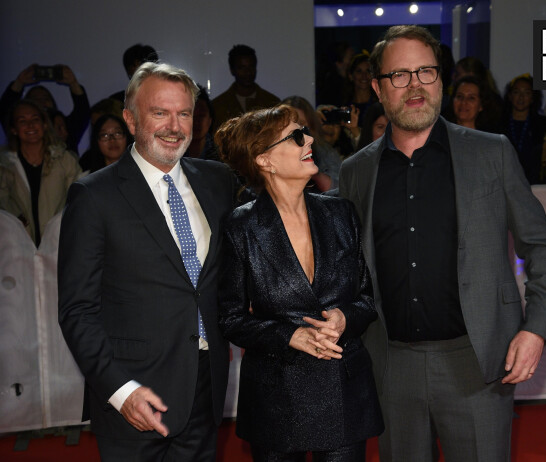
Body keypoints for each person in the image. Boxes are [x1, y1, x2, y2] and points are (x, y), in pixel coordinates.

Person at [339, 25, 546, 462]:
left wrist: (535, 329)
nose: (416, 85)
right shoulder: (356, 172)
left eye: (426, 71)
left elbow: (542, 248)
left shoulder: (491, 153)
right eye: (400, 75)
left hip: (476, 362)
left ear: (441, 79)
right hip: (391, 365)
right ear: (378, 89)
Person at [58, 62, 240, 462]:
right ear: (130, 118)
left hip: (206, 388)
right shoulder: (93, 196)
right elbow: (77, 311)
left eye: (184, 113)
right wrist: (121, 391)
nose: (174, 126)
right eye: (160, 112)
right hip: (134, 394)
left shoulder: (218, 181)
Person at [215, 104, 383, 461]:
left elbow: (368, 299)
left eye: (304, 131)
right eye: (295, 136)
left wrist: (344, 318)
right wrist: (289, 335)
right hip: (278, 399)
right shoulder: (241, 228)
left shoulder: (340, 213)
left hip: (343, 390)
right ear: (265, 161)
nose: (309, 139)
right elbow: (230, 319)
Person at [0, 99, 81, 246]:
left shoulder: (65, 160)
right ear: (13, 129)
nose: (30, 125)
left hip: (60, 244)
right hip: (16, 247)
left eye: (35, 119)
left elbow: (78, 200)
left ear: (44, 125)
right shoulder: (4, 166)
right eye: (22, 121)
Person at [0, 64, 90, 154]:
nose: (41, 102)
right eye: (35, 99)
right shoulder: (23, 129)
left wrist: (73, 83)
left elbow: (82, 111)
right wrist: (19, 82)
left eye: (46, 98)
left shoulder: (63, 126)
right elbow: (5, 110)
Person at [211, 44, 280, 131]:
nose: (248, 72)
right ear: (232, 70)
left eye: (251, 66)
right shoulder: (218, 107)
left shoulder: (272, 103)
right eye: (241, 68)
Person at [281, 95, 343, 191]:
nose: (295, 130)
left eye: (301, 124)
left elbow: (340, 188)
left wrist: (314, 172)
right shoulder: (274, 151)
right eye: (290, 124)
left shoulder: (324, 152)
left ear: (310, 125)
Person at [499, 74, 546, 184]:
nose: (521, 97)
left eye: (526, 93)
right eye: (516, 92)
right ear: (510, 96)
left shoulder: (542, 123)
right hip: (504, 181)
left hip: (535, 182)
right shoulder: (498, 122)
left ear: (533, 98)